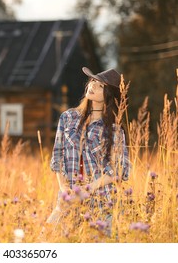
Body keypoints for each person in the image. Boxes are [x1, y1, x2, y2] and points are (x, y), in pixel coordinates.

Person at [46, 67, 131, 235]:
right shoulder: (68, 118)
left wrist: (87, 190)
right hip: (68, 200)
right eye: (93, 81)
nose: (92, 85)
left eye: (100, 86)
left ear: (108, 96)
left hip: (101, 202)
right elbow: (57, 158)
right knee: (47, 238)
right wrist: (64, 189)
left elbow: (120, 170)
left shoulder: (114, 131)